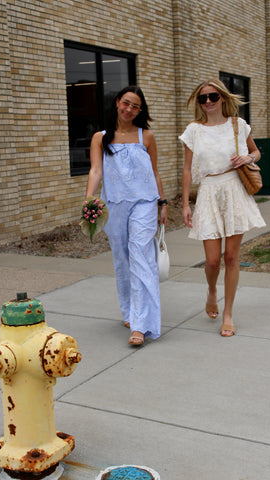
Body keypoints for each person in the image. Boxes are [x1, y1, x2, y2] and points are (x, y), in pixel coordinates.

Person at [180, 79, 266, 337]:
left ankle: (228, 314)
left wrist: (248, 157)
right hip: (208, 192)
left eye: (213, 97)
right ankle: (212, 291)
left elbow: (256, 152)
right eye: (202, 98)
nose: (207, 102)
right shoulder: (193, 130)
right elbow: (186, 169)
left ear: (223, 98)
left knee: (231, 257)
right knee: (213, 260)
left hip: (234, 190)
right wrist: (185, 203)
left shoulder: (238, 125)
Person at [85, 85, 167, 346]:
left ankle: (141, 325)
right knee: (122, 259)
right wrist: (90, 200)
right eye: (126, 103)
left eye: (136, 106)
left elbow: (155, 173)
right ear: (117, 102)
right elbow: (96, 170)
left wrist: (162, 203)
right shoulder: (101, 137)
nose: (130, 109)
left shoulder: (147, 137)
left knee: (141, 257)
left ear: (140, 111)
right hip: (114, 206)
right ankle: (130, 311)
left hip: (144, 203)